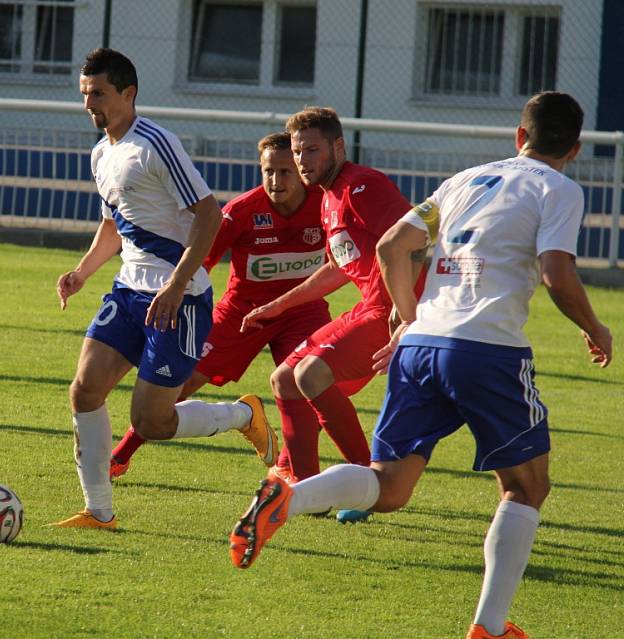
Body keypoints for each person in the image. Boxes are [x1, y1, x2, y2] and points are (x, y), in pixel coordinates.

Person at [228, 92, 613, 639]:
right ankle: (489, 626)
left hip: (422, 343)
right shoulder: (560, 187)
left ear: (518, 137)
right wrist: (594, 327)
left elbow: (391, 246)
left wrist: (408, 319)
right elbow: (556, 270)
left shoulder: (466, 179)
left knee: (389, 489)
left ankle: (291, 495)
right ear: (573, 148)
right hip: (486, 349)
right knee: (527, 488)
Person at [49, 48, 276, 530]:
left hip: (180, 299)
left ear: (128, 94)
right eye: (85, 94)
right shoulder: (101, 153)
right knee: (84, 391)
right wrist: (83, 271)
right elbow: (114, 224)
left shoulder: (155, 143)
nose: (91, 103)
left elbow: (209, 214)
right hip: (128, 292)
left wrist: (174, 287)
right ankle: (100, 512)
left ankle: (241, 415)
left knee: (152, 422)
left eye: (101, 94)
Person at [108, 131, 333, 481]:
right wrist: (178, 295)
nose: (275, 180)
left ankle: (291, 469)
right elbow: (201, 261)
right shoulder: (242, 211)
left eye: (285, 172)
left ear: (302, 171)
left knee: (308, 388)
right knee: (178, 384)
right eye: (268, 171)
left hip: (303, 312)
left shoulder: (325, 203)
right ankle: (120, 456)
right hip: (243, 314)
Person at [239, 107, 422, 484]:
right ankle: (304, 484)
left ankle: (368, 480)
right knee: (284, 379)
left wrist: (406, 313)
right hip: (368, 307)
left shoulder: (363, 185)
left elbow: (416, 241)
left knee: (310, 374)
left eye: (311, 150)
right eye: (297, 151)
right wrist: (277, 305)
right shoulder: (327, 198)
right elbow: (339, 267)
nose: (302, 161)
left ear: (338, 147)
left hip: (391, 312)